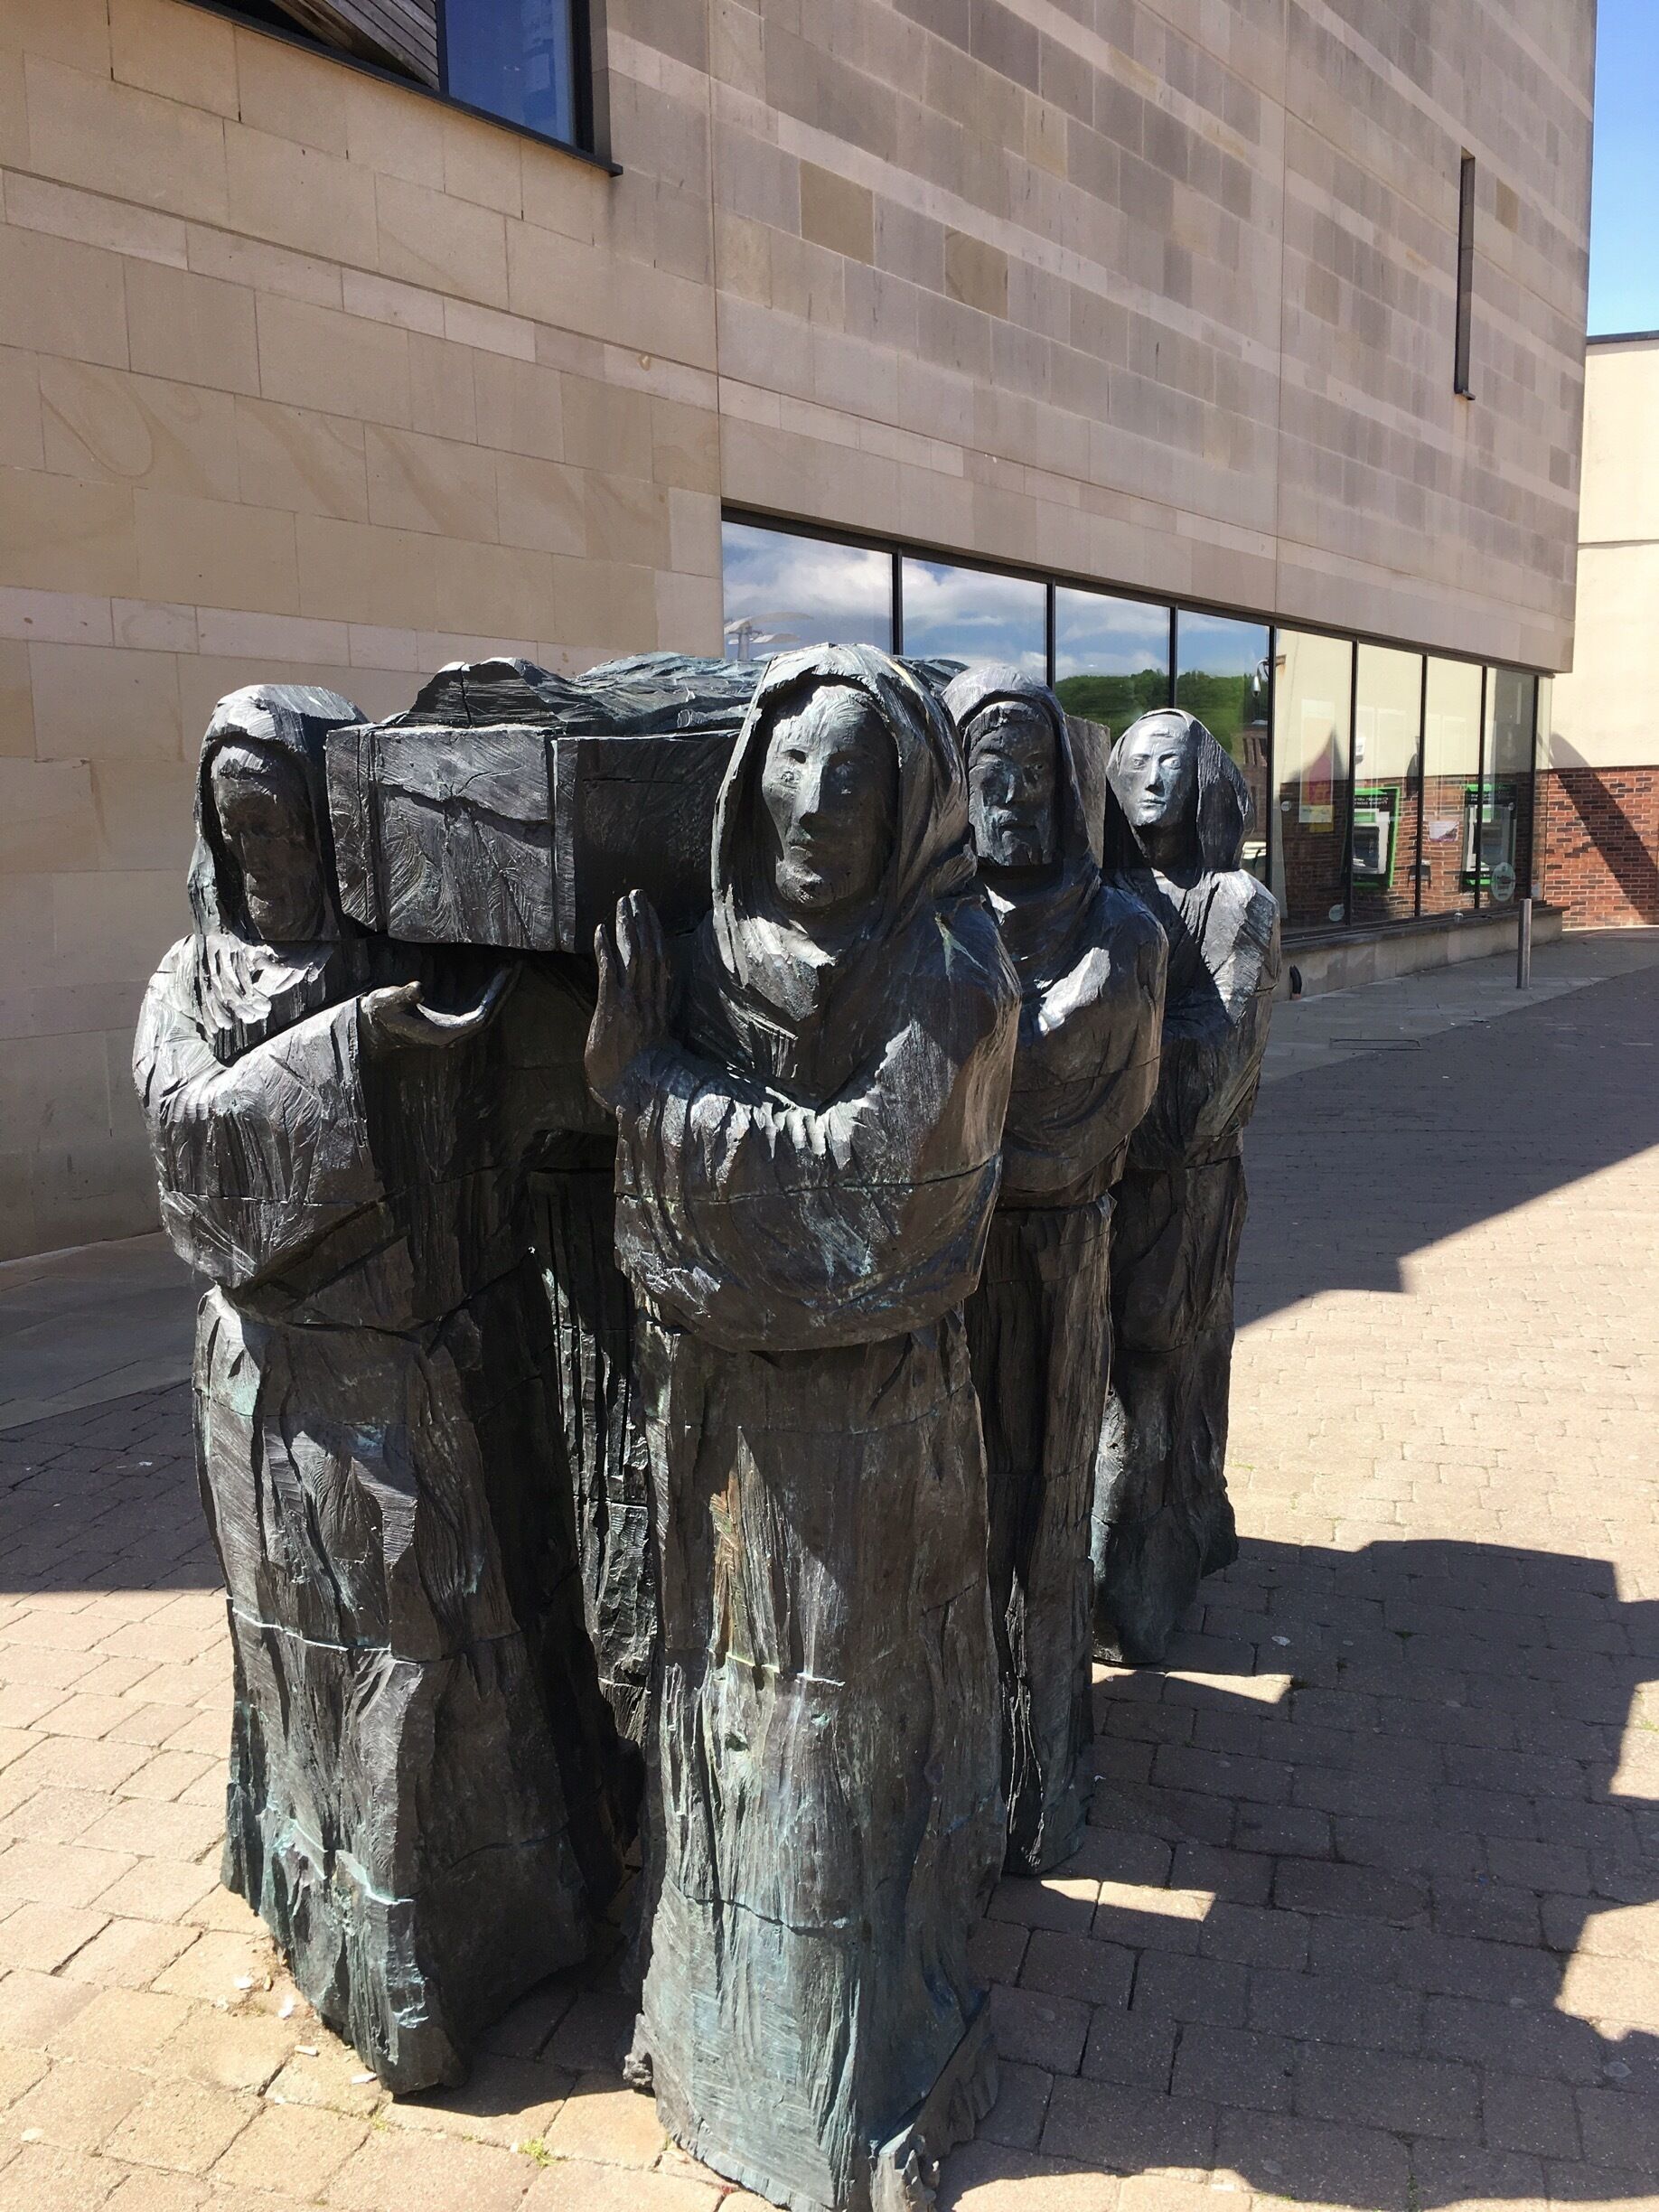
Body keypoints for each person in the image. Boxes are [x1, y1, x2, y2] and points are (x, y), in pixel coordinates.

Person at [133, 685, 627, 2091]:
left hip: (425, 1376)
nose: (266, 864)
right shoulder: (191, 982)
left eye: (288, 829)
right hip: (274, 1388)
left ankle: (468, 1942)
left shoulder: (425, 959)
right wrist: (362, 1046)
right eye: (240, 837)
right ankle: (342, 1923)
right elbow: (196, 1167)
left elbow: (559, 1088)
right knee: (305, 1669)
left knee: (437, 1668)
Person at [585, 645, 1019, 2212]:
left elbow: (857, 1195)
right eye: (789, 766)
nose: (816, 803)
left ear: (910, 801)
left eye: (853, 773)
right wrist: (654, 1083)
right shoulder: (709, 952)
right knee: (729, 1738)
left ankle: (843, 2078)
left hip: (863, 1436)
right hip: (734, 1436)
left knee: (834, 1748)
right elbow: (676, 1223)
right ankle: (712, 2036)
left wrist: (648, 1089)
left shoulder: (954, 975)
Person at [944, 665, 1166, 1874]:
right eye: (992, 778)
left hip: (1059, 1254)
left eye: (1035, 776)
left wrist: (1001, 1148)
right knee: (958, 1514)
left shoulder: (1124, 934)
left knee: (1048, 1507)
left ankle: (1042, 1770)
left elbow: (1119, 1107)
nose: (1015, 800)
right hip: (949, 1269)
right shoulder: (929, 934)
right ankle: (959, 1768)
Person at [1092, 708, 1280, 1664]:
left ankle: (1141, 1572)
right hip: (1099, 1182)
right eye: (1132, 762)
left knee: (1159, 1363)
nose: (1150, 778)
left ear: (1203, 776)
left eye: (1170, 761)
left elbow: (1216, 1062)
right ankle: (1133, 1551)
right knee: (1106, 1373)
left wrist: (1095, 1082)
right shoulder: (1093, 891)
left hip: (1180, 1183)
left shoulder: (1237, 903)